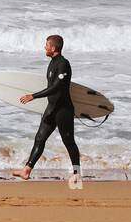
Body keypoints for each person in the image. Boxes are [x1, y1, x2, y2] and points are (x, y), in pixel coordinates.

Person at [11, 34, 82, 189]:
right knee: (39, 138)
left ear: (53, 48)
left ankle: (76, 173)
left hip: (63, 110)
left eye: (46, 45)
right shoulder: (52, 63)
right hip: (51, 109)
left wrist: (33, 96)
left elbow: (57, 87)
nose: (45, 47)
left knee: (68, 142)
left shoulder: (64, 64)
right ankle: (26, 171)